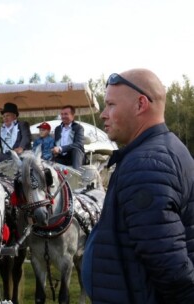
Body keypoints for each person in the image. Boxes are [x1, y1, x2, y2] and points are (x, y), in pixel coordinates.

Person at [81, 69, 194, 303]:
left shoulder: (147, 164)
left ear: (140, 104)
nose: (103, 114)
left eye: (110, 104)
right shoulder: (165, 149)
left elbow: (168, 265)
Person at [51, 105, 85, 169]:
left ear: (72, 116)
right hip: (61, 157)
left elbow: (79, 144)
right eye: (62, 114)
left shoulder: (78, 128)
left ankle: (77, 175)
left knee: (77, 150)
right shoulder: (57, 129)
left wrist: (61, 148)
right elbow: (56, 143)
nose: (63, 116)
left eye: (66, 114)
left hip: (73, 157)